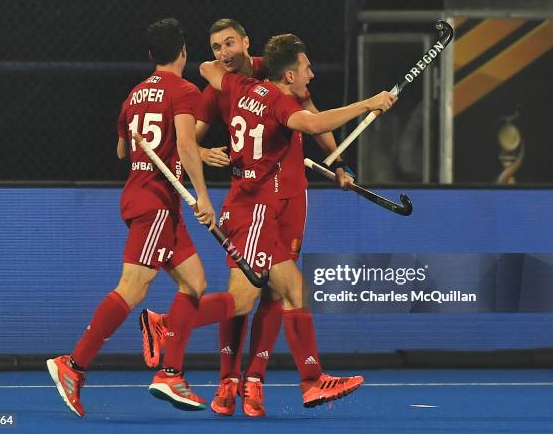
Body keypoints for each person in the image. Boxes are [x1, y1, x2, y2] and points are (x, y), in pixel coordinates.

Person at [145, 32, 397, 412]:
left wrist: (339, 163)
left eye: (230, 44)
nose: (312, 73)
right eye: (306, 68)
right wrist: (370, 103)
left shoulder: (238, 84)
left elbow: (216, 70)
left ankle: (302, 382)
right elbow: (312, 124)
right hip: (257, 208)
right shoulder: (277, 99)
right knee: (244, 299)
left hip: (263, 205)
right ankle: (169, 324)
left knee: (289, 291)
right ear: (290, 75)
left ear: (248, 45)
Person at [46, 17, 216, 417]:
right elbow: (188, 146)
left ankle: (170, 371)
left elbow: (123, 152)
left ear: (152, 54)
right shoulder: (185, 90)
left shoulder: (135, 94)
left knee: (194, 283)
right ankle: (73, 365)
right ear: (184, 52)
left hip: (147, 197)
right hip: (156, 201)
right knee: (133, 286)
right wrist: (204, 196)